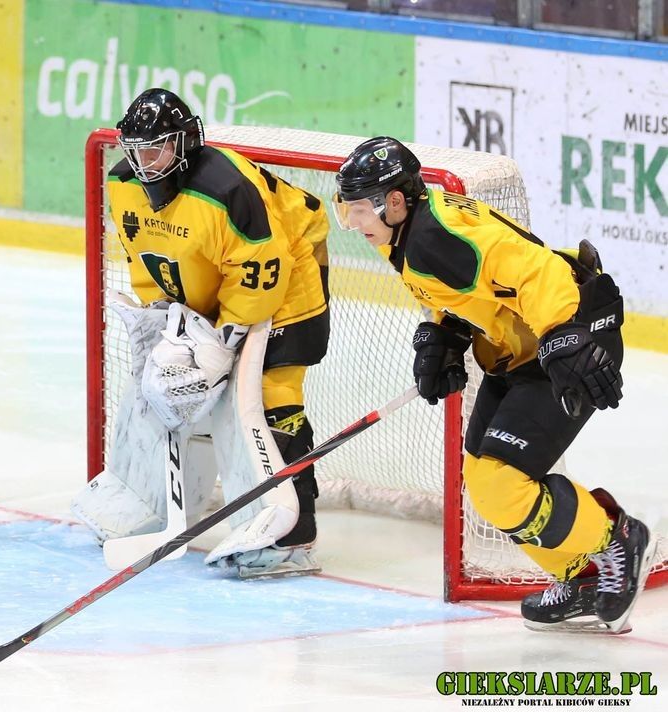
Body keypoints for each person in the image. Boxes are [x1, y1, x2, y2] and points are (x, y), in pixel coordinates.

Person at [332, 136, 655, 633]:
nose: (352, 223)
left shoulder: (431, 238)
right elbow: (471, 288)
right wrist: (445, 332)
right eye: (346, 210)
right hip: (517, 350)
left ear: (393, 201)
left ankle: (616, 541)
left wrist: (563, 335)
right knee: (485, 483)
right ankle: (582, 574)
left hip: (569, 341)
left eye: (357, 210)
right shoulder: (413, 227)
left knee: (504, 486)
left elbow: (538, 271)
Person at [71, 88, 330, 578]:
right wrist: (166, 321)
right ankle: (154, 504)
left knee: (270, 395)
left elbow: (260, 271)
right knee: (165, 383)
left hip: (287, 281)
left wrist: (225, 342)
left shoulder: (227, 190)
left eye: (158, 150)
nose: (145, 163)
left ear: (186, 142)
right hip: (215, 284)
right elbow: (144, 256)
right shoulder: (123, 183)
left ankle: (292, 537)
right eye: (138, 151)